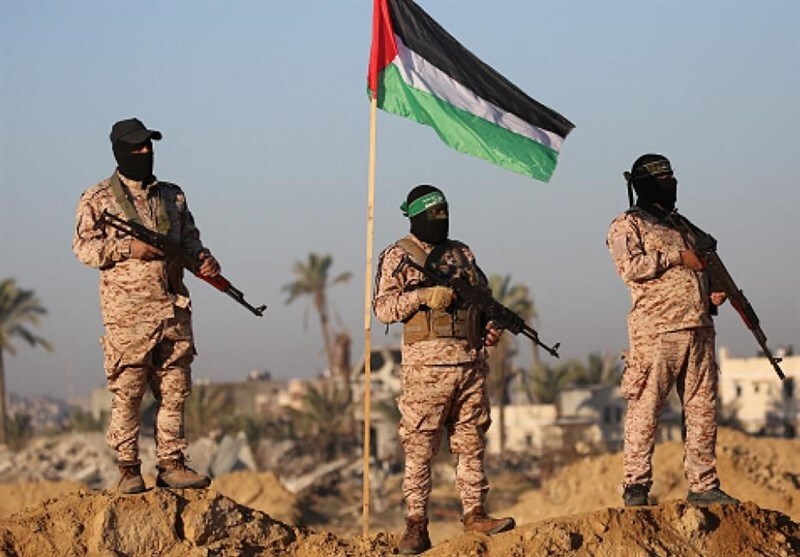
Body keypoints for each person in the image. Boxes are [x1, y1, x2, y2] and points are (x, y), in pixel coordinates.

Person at [73, 118, 220, 494]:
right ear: (119, 151)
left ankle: (172, 464)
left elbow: (189, 239)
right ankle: (128, 469)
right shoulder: (97, 198)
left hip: (172, 306)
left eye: (148, 146)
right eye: (137, 147)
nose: (145, 152)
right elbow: (84, 248)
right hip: (129, 313)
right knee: (129, 389)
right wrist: (128, 248)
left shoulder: (172, 196)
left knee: (175, 387)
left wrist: (203, 259)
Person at [374, 185, 515, 554]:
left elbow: (482, 298)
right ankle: (416, 525)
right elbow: (383, 308)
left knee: (471, 441)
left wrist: (490, 326)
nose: (442, 219)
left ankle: (475, 513)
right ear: (416, 216)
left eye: (445, 211)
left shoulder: (462, 253)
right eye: (434, 213)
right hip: (427, 367)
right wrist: (422, 296)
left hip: (469, 363)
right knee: (420, 446)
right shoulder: (397, 255)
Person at [606, 154, 739, 507]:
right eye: (663, 178)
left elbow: (698, 270)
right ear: (644, 184)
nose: (671, 183)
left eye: (672, 176)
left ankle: (703, 484)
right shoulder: (627, 224)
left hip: (698, 327)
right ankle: (636, 486)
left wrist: (710, 294)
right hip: (657, 332)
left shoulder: (682, 225)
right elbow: (630, 268)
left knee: (702, 409)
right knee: (646, 407)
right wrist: (677, 258)